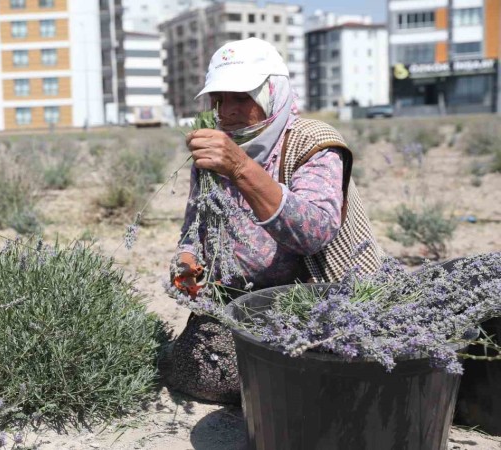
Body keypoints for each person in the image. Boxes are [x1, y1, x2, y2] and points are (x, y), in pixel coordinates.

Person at [161, 38, 382, 403]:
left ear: (272, 92)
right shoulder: (214, 152)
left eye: (241, 97)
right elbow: (194, 227)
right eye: (219, 100)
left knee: (314, 373)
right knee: (197, 370)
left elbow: (314, 233)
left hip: (318, 298)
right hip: (240, 302)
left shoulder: (314, 143)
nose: (226, 111)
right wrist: (187, 260)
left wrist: (241, 168)